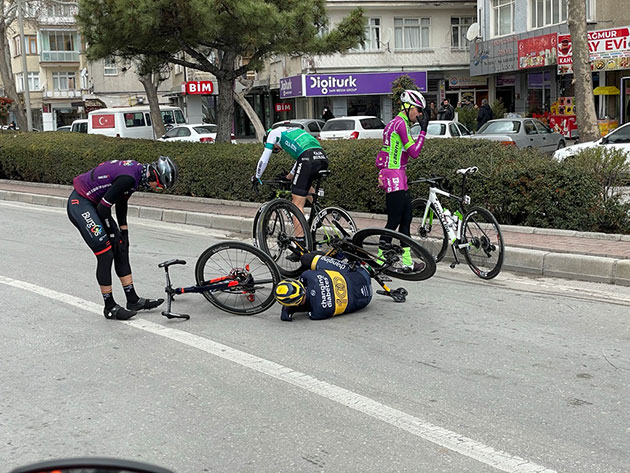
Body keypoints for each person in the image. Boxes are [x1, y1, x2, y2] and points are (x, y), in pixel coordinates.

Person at [67, 156, 178, 320]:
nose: (156, 189)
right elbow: (103, 208)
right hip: (81, 203)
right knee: (105, 254)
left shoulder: (138, 174)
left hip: (96, 205)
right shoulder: (129, 178)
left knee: (121, 247)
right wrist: (113, 233)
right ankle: (109, 307)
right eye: (159, 187)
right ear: (154, 176)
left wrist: (123, 232)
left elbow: (121, 202)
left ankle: (133, 300)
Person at [375, 90, 430, 272]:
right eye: (418, 110)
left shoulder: (396, 123)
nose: (420, 114)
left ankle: (407, 262)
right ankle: (381, 261)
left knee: (406, 219)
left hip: (398, 174)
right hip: (395, 175)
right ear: (408, 107)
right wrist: (423, 131)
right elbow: (414, 153)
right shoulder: (401, 124)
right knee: (394, 221)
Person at [252, 126, 329, 256]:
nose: (278, 150)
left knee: (296, 203)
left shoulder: (274, 134)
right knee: (305, 186)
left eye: (276, 149)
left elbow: (264, 158)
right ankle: (320, 214)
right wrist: (288, 177)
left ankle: (300, 245)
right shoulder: (293, 131)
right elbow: (299, 162)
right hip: (321, 157)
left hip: (307, 159)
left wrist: (257, 176)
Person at [274, 252, 373, 321]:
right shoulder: (307, 275)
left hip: (365, 299)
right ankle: (341, 253)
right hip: (361, 274)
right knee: (307, 259)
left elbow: (298, 309)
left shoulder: (316, 313)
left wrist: (288, 310)